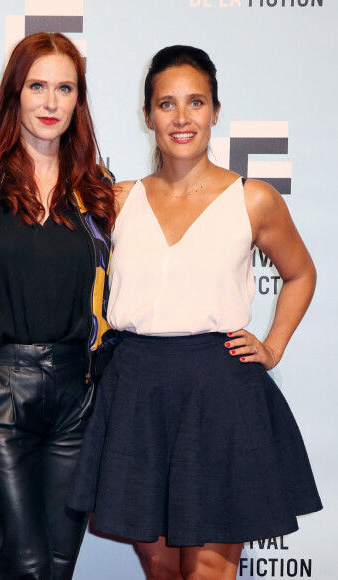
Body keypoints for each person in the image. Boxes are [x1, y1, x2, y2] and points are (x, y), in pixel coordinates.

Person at [68, 45, 322, 580]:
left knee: (210, 570)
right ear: (147, 116)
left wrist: (272, 346)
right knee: (161, 571)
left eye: (196, 103)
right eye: (166, 104)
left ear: (215, 110)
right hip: (135, 390)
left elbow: (301, 274)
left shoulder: (253, 199)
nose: (182, 118)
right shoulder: (116, 200)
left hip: (221, 391)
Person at [0, 32, 116, 580]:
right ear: (13, 96)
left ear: (78, 99)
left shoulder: (98, 191)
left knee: (59, 567)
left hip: (78, 396)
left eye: (64, 88)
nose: (51, 102)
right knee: (24, 566)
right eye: (37, 86)